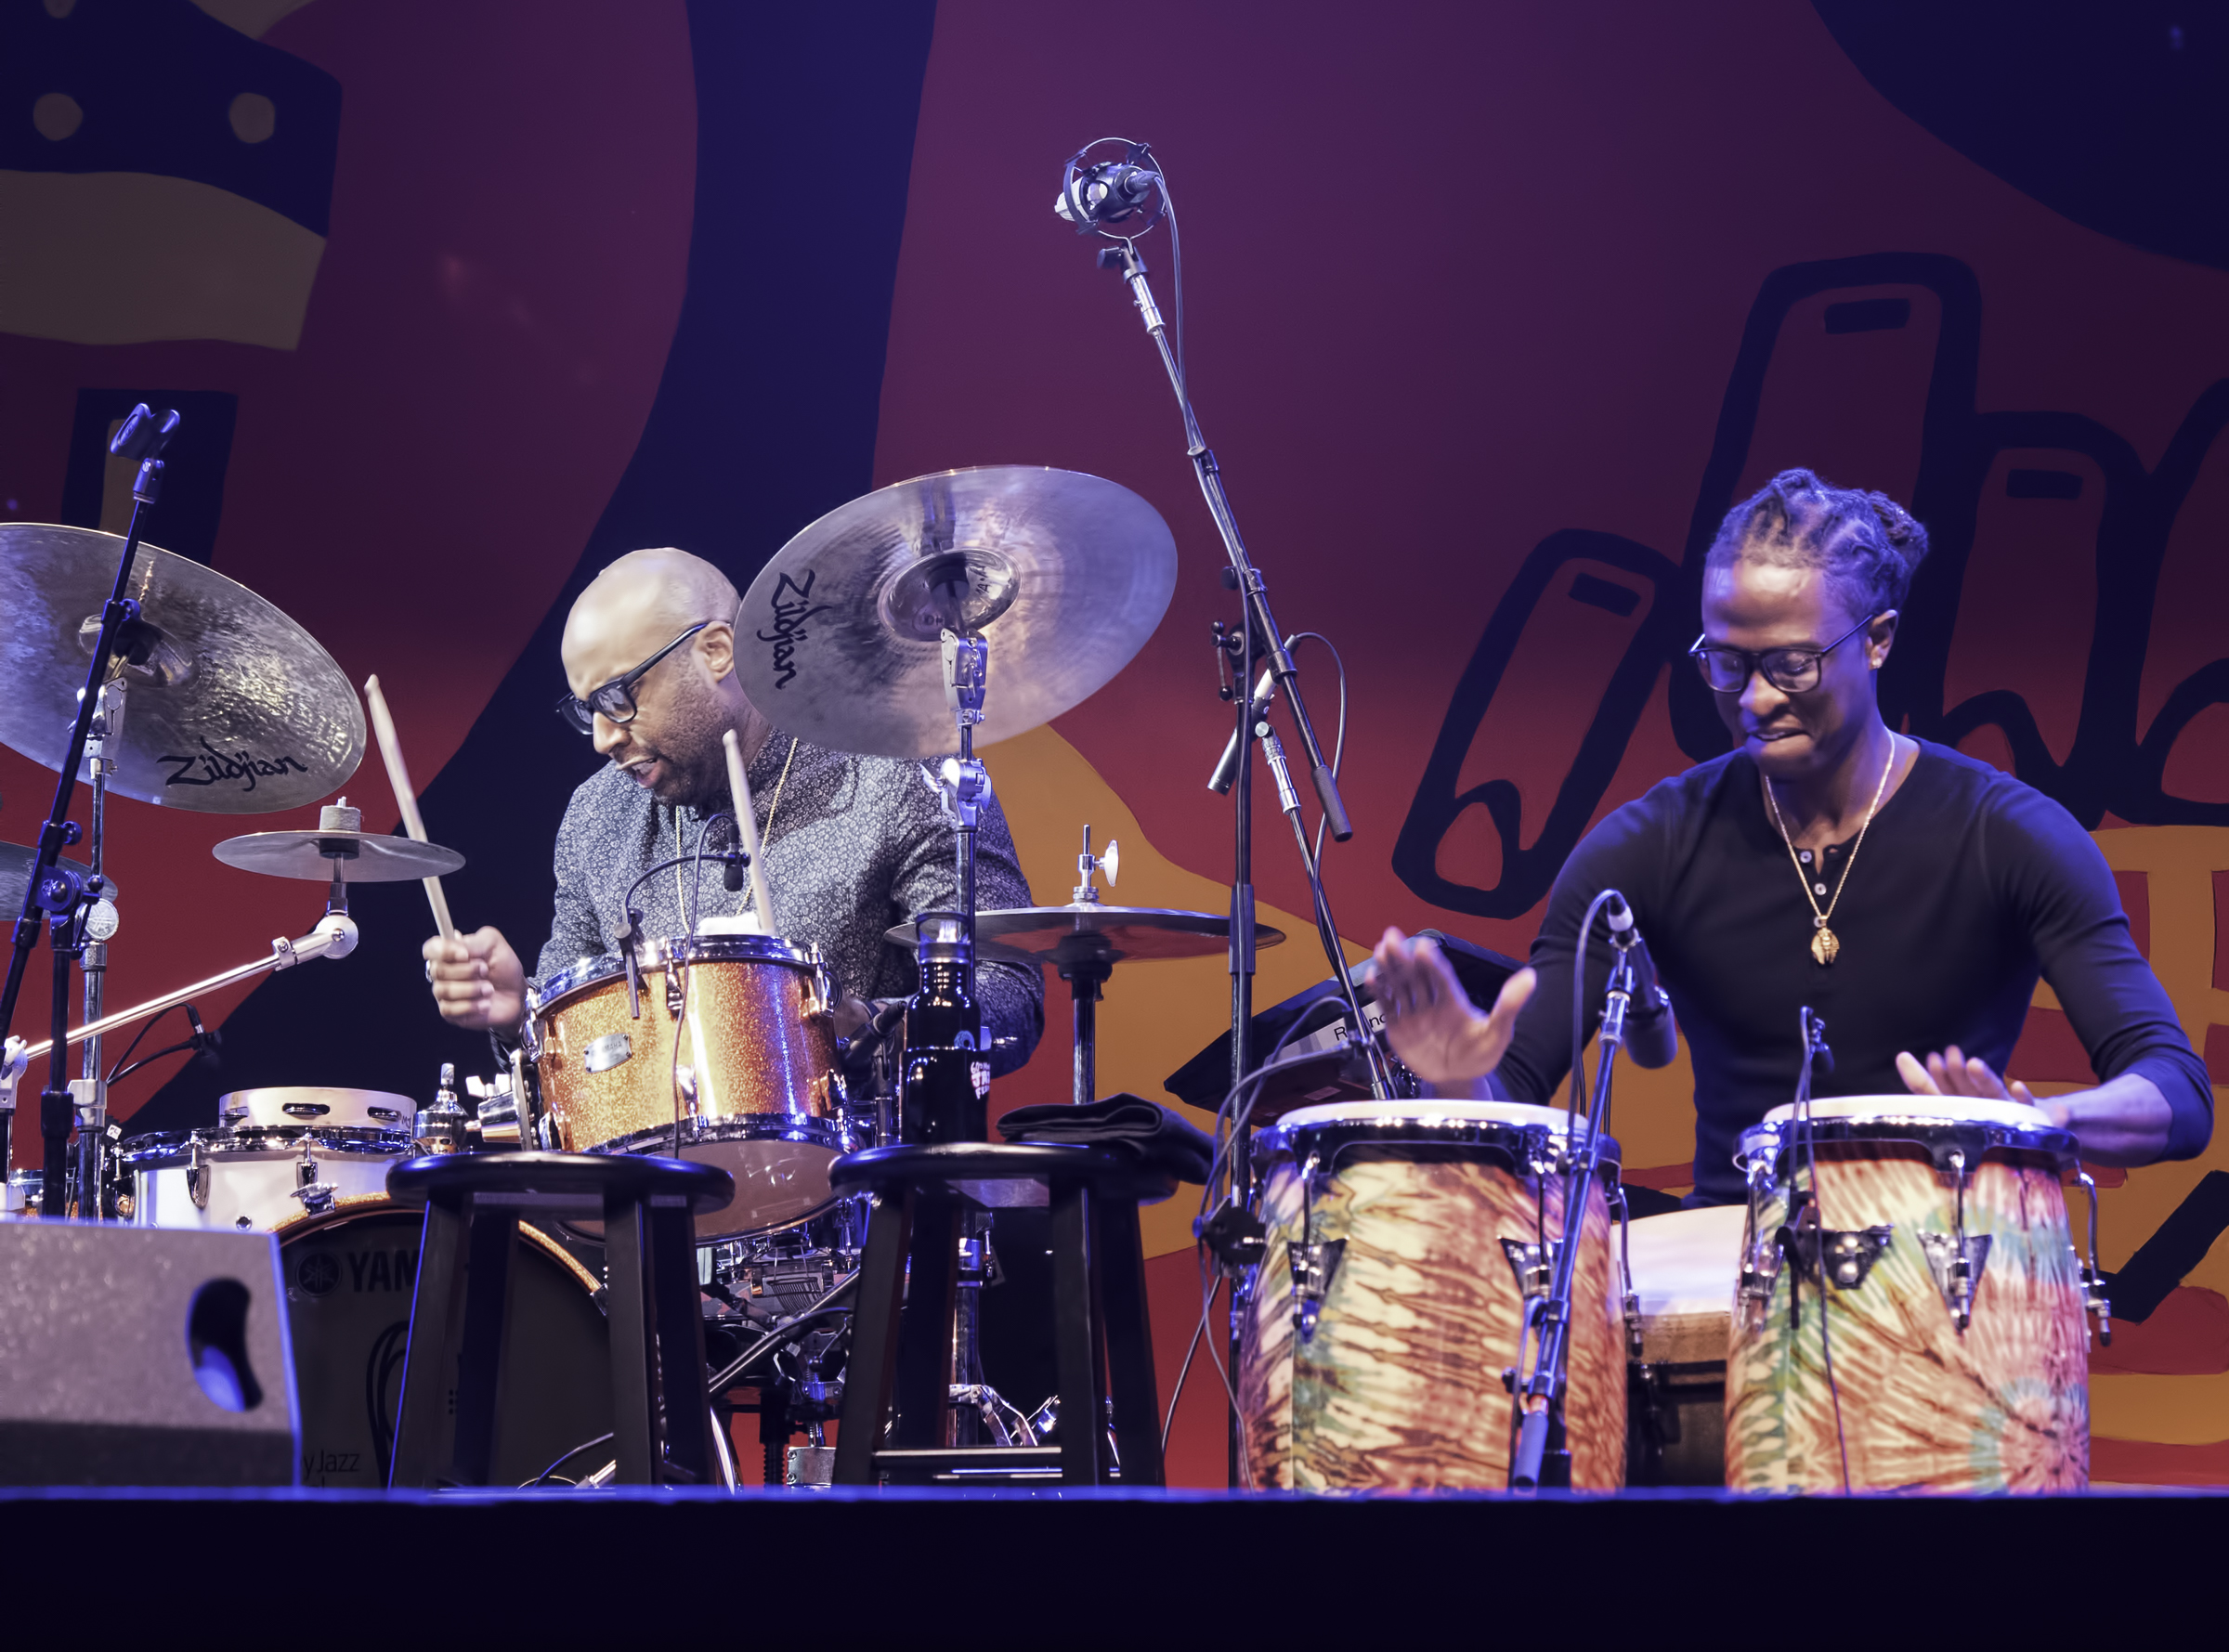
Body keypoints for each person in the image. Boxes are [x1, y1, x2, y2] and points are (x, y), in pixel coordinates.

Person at [1369, 469, 2210, 1204]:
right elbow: (1510, 1096)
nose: (1754, 698)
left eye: (1792, 664)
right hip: (1728, 1276)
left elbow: (2175, 1088)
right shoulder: (1645, 848)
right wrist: (1457, 1076)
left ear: (1876, 640)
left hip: (1948, 1267)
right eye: (1727, 662)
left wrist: (2036, 1122)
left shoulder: (2010, 836)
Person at [423, 546, 1044, 1071]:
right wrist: (519, 1013)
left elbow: (1010, 995)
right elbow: (570, 1049)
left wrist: (871, 1027)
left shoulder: (901, 769)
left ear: (716, 651)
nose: (603, 738)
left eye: (618, 696)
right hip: (656, 1197)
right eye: (587, 709)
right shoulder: (595, 816)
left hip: (863, 1193)